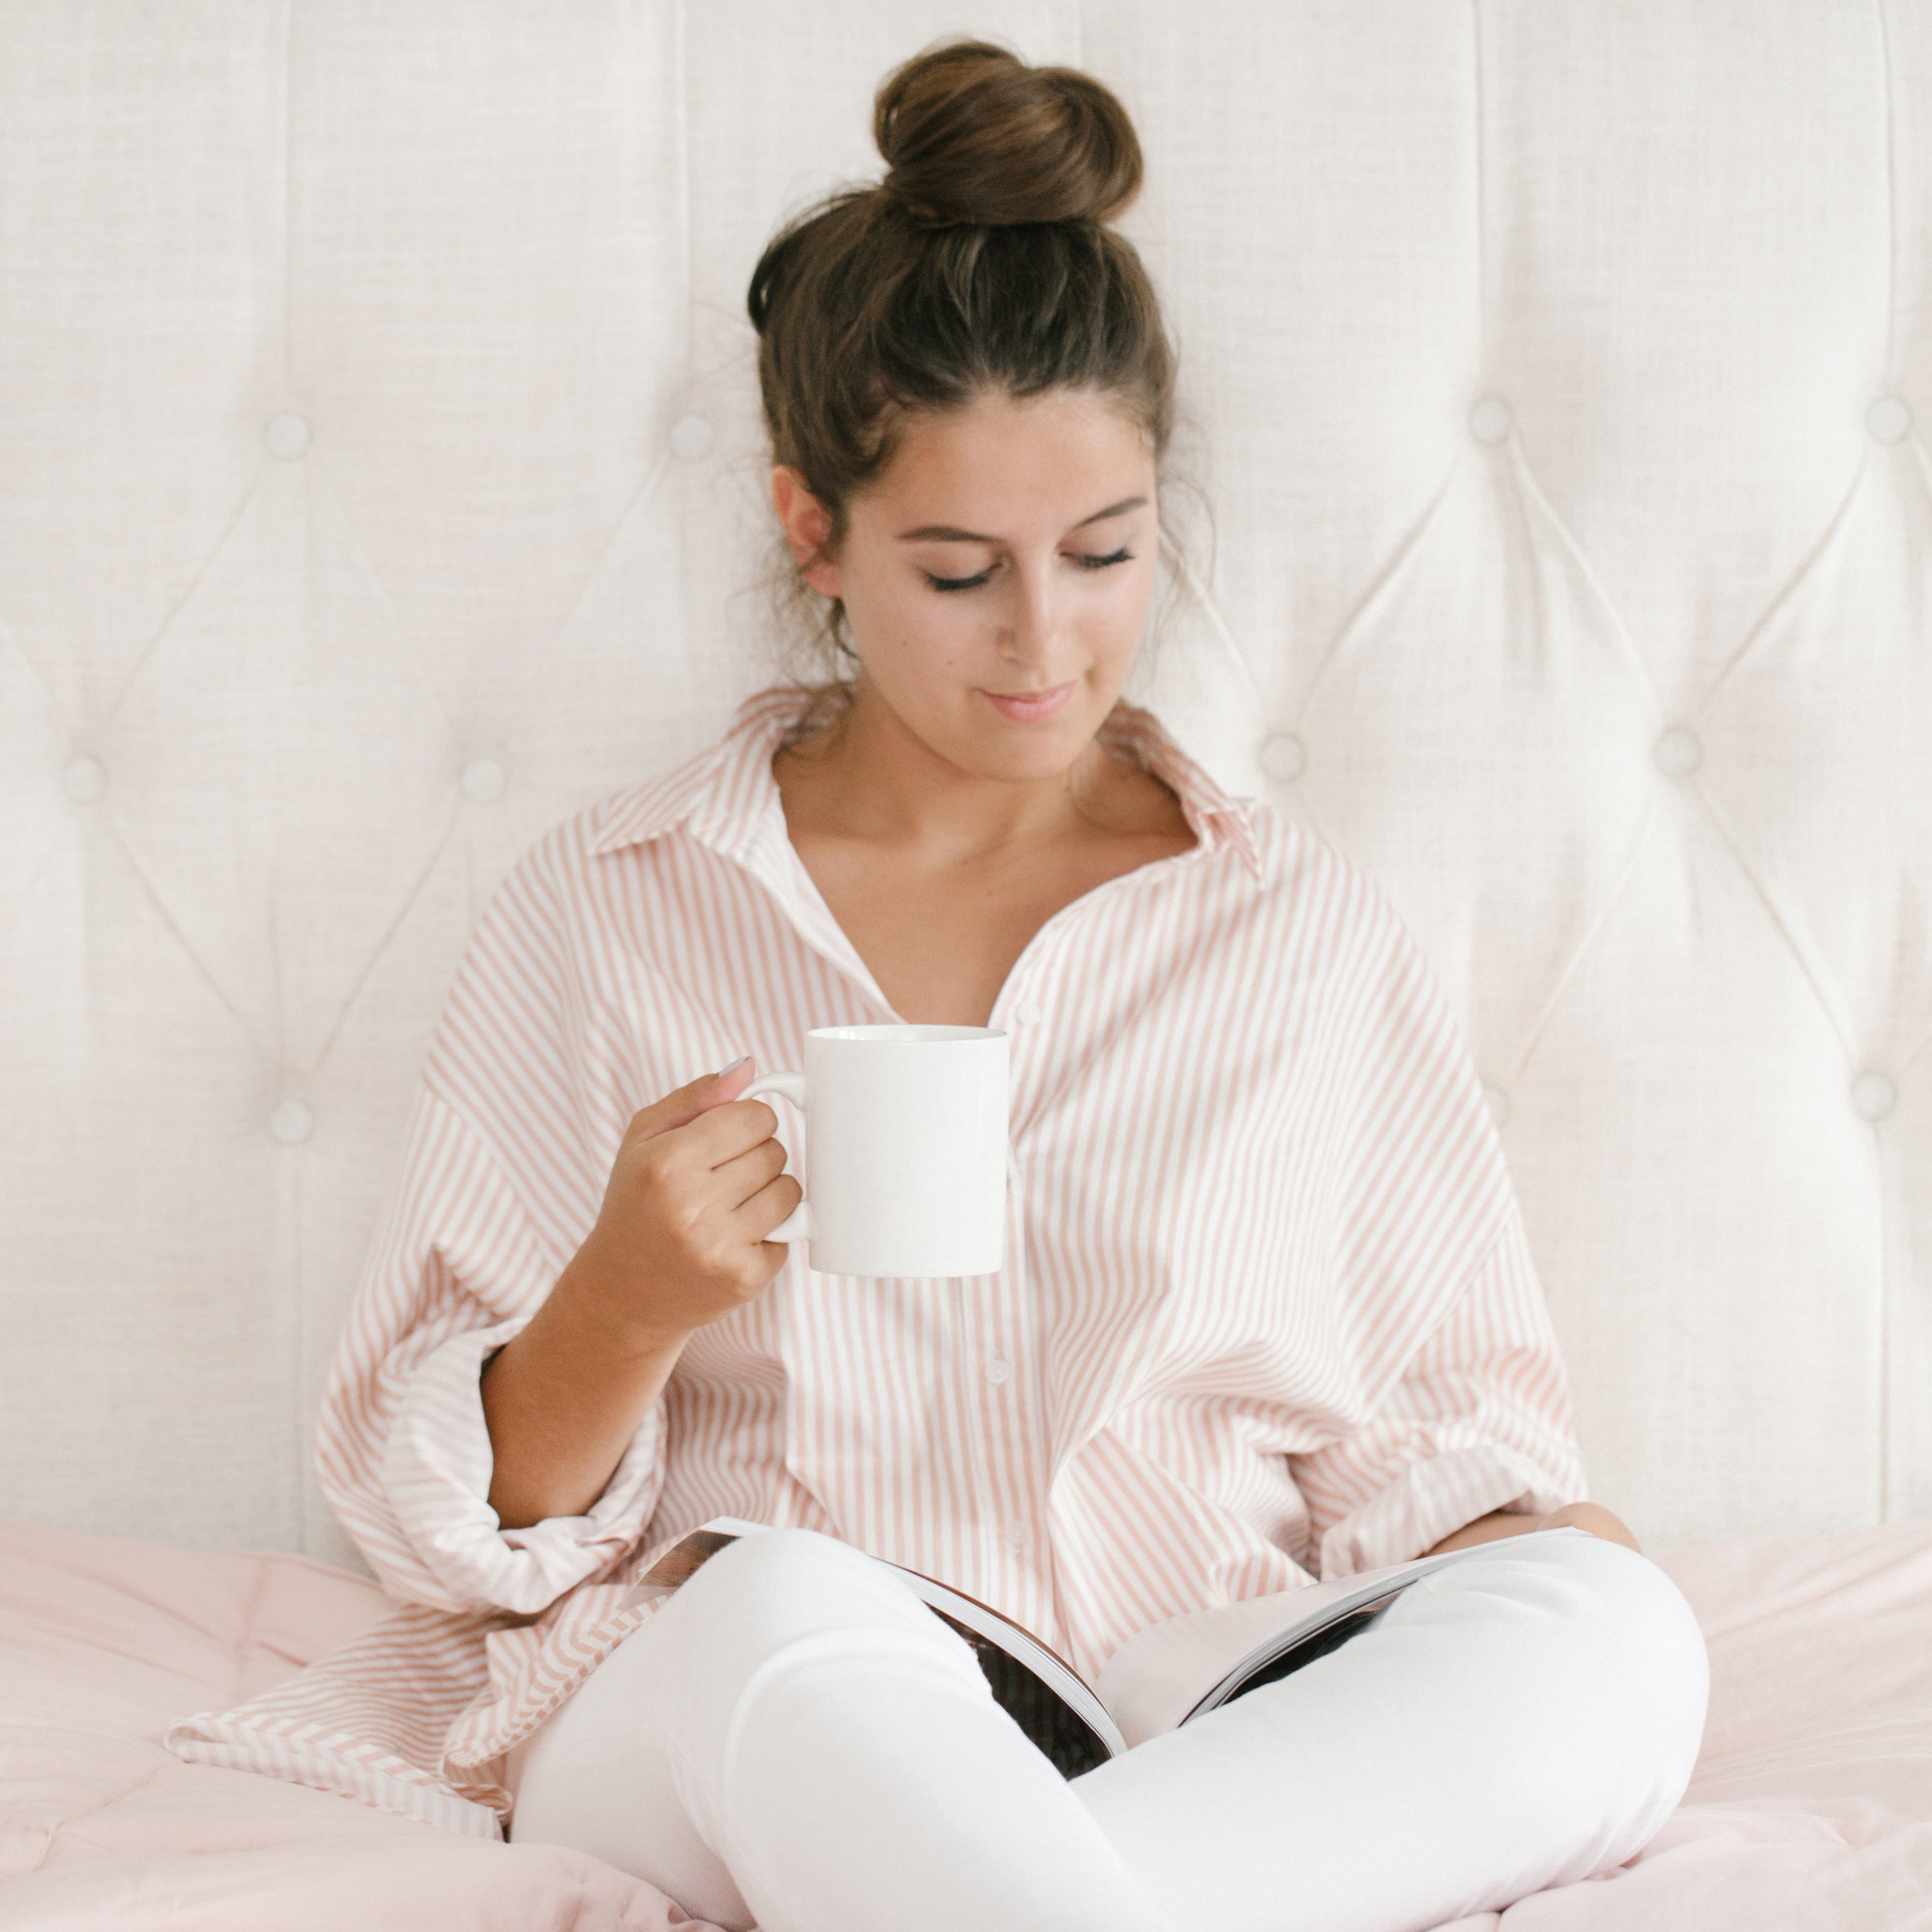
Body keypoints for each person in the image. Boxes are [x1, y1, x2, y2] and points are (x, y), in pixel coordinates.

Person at [169, 38, 1707, 1932]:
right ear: (813, 529)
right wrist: (624, 1301)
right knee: (794, 1606)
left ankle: (1032, 1894)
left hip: (1183, 1694)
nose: (1045, 639)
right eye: (961, 568)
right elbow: (442, 1526)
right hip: (763, 1687)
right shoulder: (613, 903)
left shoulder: (1288, 924)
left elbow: (1444, 1425)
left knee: (1609, 1621)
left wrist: (1523, 1575)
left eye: (1105, 552)